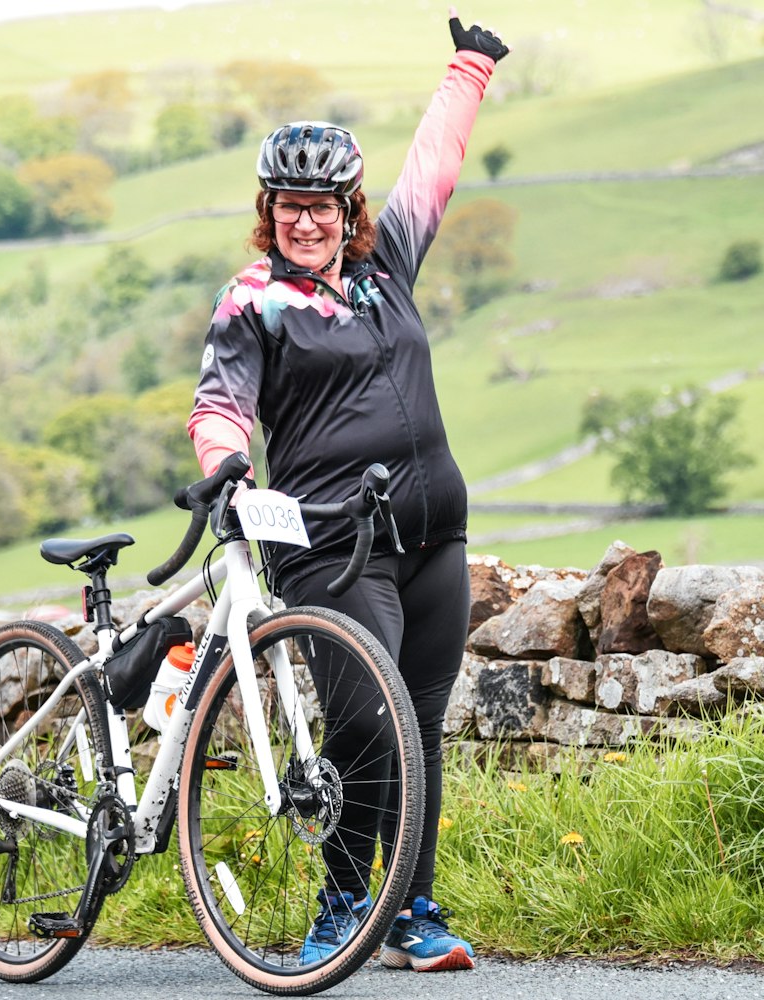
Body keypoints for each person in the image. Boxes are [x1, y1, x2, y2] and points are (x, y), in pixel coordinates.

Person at [187, 6, 509, 973]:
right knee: (367, 723)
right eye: (290, 204)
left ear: (349, 209)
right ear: (269, 209)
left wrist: (469, 70)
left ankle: (412, 910)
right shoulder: (253, 300)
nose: (307, 218)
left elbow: (433, 171)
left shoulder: (385, 269)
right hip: (329, 543)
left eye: (323, 204)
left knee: (419, 726)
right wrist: (225, 469)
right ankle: (341, 903)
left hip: (433, 532)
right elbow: (218, 403)